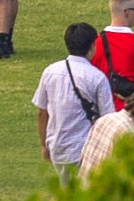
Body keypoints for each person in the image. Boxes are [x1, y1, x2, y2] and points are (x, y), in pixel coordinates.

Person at [31, 23, 115, 177]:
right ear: (92, 46)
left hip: (56, 147)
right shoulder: (96, 77)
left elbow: (41, 112)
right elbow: (108, 118)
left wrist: (43, 145)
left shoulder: (50, 71)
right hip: (84, 149)